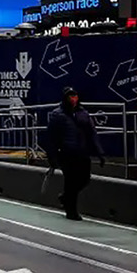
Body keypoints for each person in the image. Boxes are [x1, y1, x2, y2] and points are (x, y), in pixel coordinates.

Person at [45, 87, 105, 221]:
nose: (73, 99)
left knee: (84, 179)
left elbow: (92, 133)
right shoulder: (58, 115)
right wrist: (52, 157)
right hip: (67, 153)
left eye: (75, 96)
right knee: (71, 182)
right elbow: (51, 138)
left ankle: (65, 197)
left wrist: (99, 153)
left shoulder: (83, 113)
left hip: (82, 152)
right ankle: (71, 211)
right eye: (70, 96)